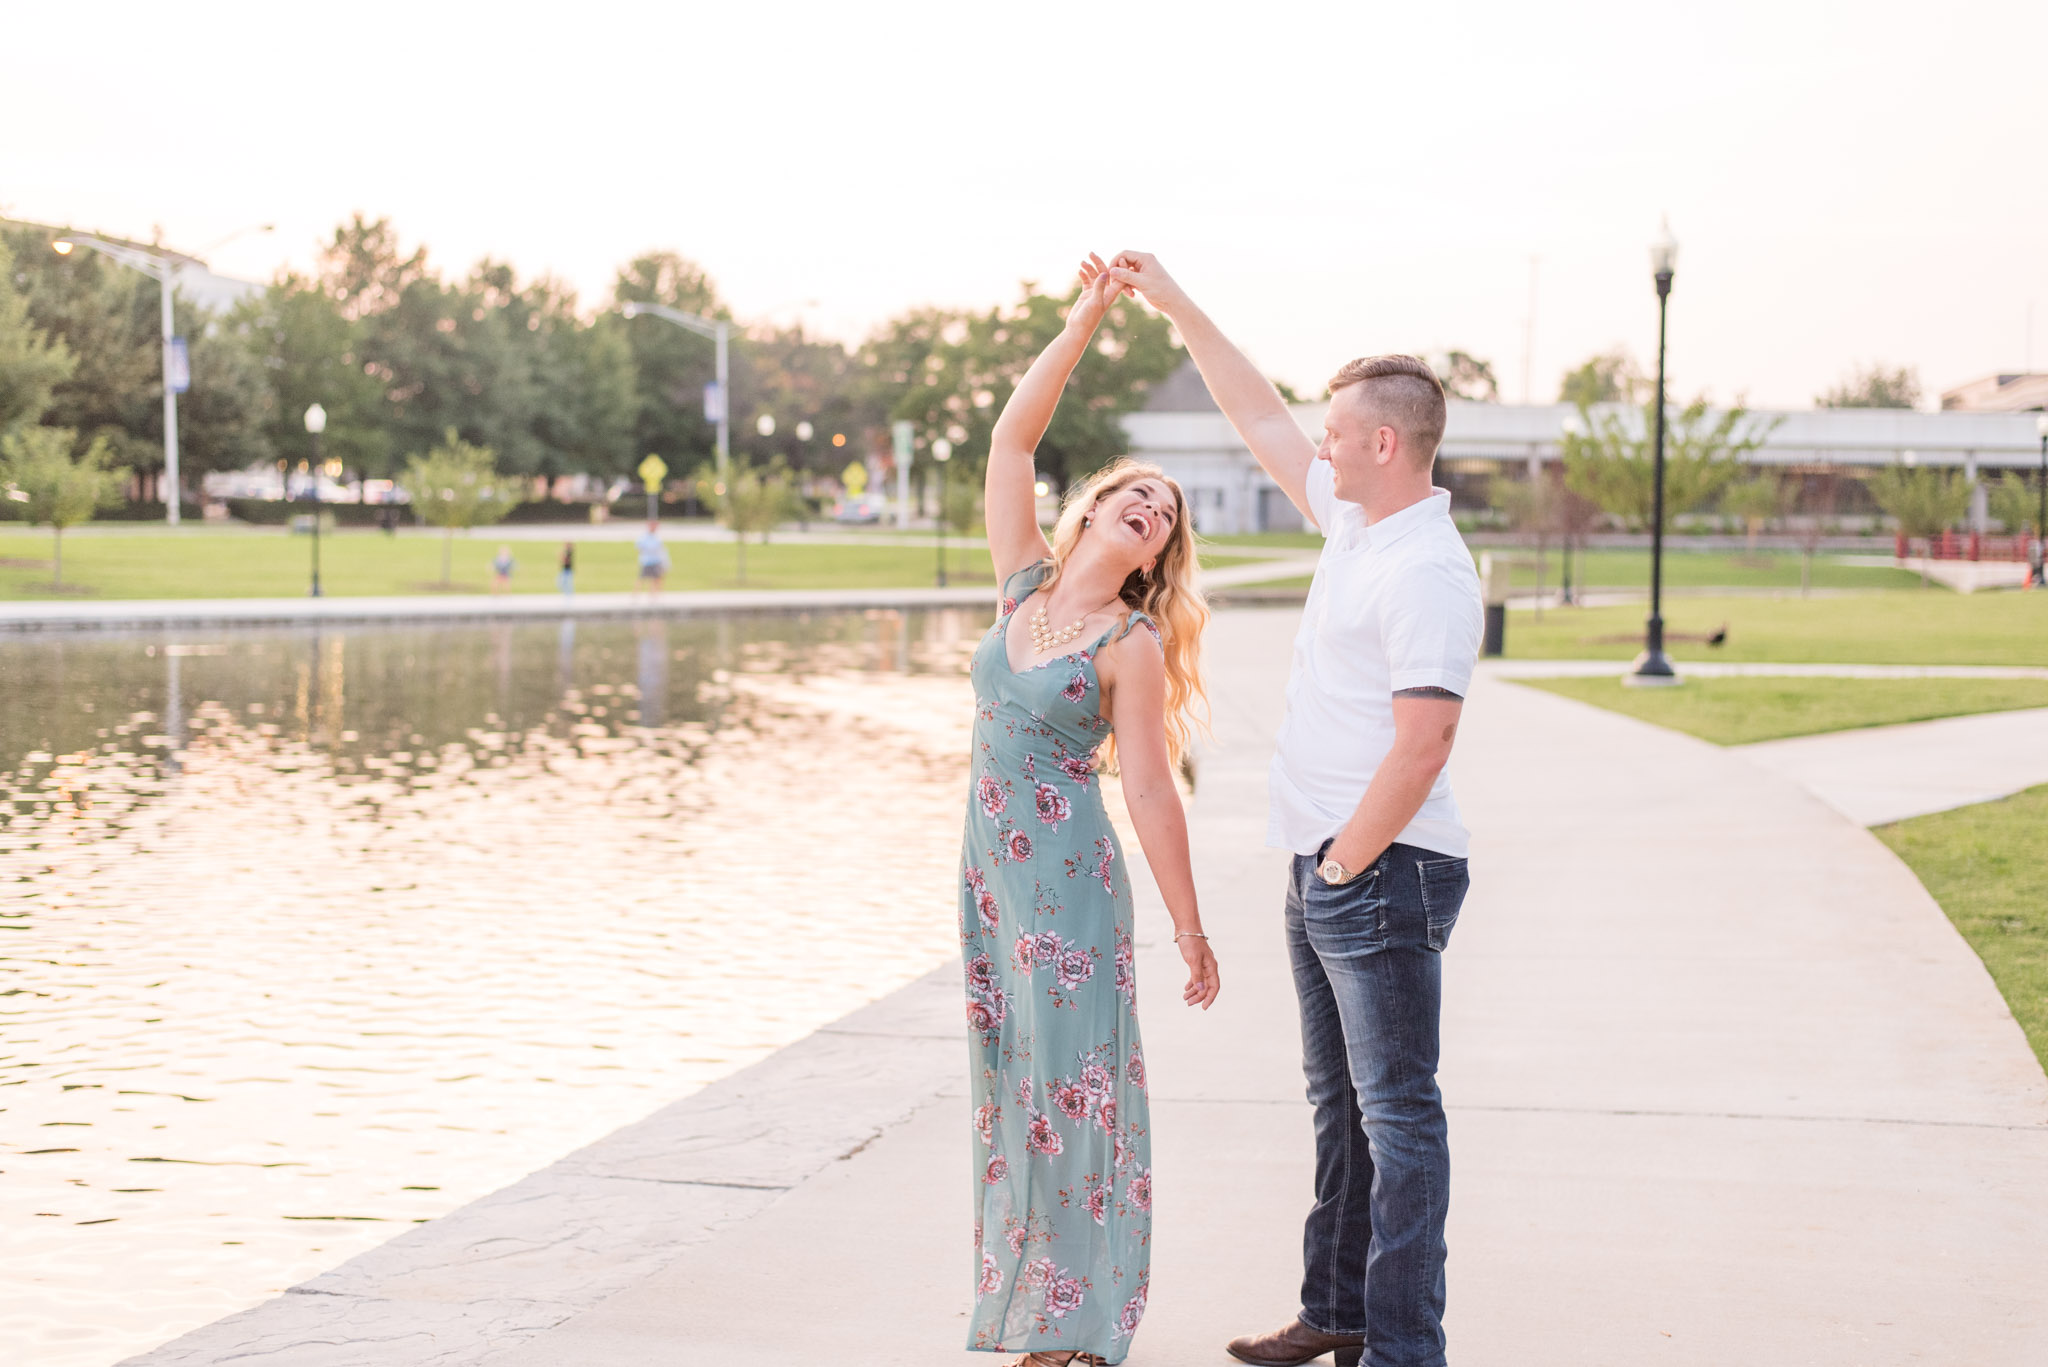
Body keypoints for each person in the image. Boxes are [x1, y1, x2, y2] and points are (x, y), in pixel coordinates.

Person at [1106, 252, 1482, 1367]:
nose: (1314, 443)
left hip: (1380, 868)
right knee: (1342, 1110)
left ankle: (1403, 1347)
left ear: (1383, 443)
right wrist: (1173, 303)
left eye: (1334, 431)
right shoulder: (1356, 525)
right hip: (1326, 866)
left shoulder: (1424, 567)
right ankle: (1336, 1310)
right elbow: (1256, 410)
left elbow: (1426, 742)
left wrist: (1343, 862)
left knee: (1398, 1116)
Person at [962, 255, 1218, 1367]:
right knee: (1013, 1090)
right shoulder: (1019, 583)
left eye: (1160, 517)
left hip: (1070, 886)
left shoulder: (1132, 644)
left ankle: (1070, 1325)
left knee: (1073, 1093)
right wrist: (1083, 320)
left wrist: (1190, 926)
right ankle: (1031, 1303)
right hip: (987, 878)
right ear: (1093, 509)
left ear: (1154, 554)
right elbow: (1010, 443)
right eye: (1134, 496)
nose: (1147, 512)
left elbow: (1151, 788)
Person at [634, 521, 669, 599]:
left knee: (656, 578)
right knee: (642, 578)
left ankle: (653, 595)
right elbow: (639, 547)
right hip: (647, 561)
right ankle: (636, 594)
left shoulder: (657, 537)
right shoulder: (644, 537)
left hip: (656, 560)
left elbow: (661, 549)